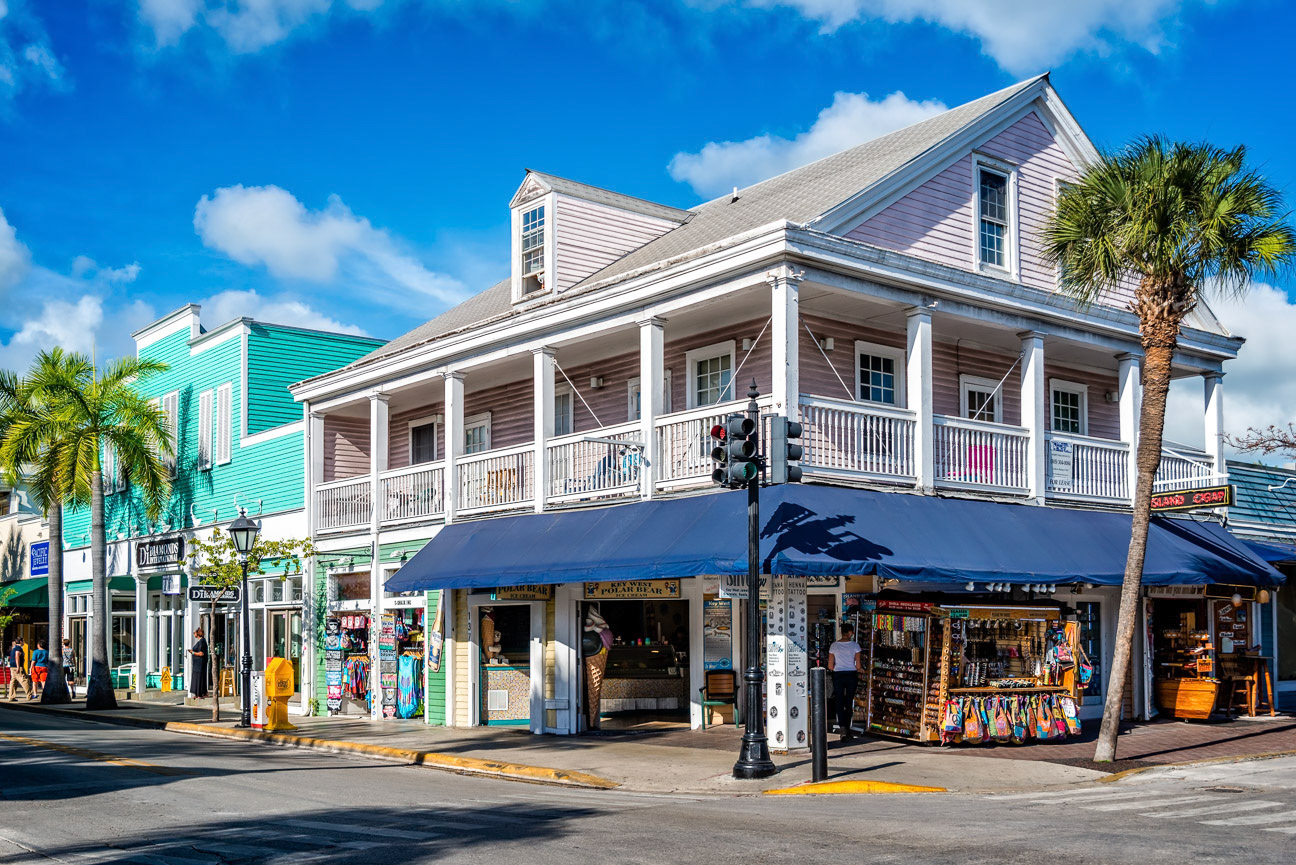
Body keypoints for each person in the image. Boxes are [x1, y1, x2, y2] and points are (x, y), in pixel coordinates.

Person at [827, 624, 862, 740]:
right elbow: (858, 665)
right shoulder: (855, 646)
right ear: (850, 632)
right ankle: (847, 728)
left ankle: (842, 728)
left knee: (839, 702)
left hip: (838, 675)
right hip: (851, 675)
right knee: (849, 702)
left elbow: (830, 666)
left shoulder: (834, 646)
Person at [189, 628, 209, 699]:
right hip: (197, 664)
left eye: (194, 633)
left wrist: (193, 652)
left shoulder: (202, 642)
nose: (193, 634)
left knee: (199, 678)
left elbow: (201, 653)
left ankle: (200, 693)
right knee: (196, 677)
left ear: (198, 633)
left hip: (200, 664)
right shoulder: (201, 641)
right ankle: (197, 693)